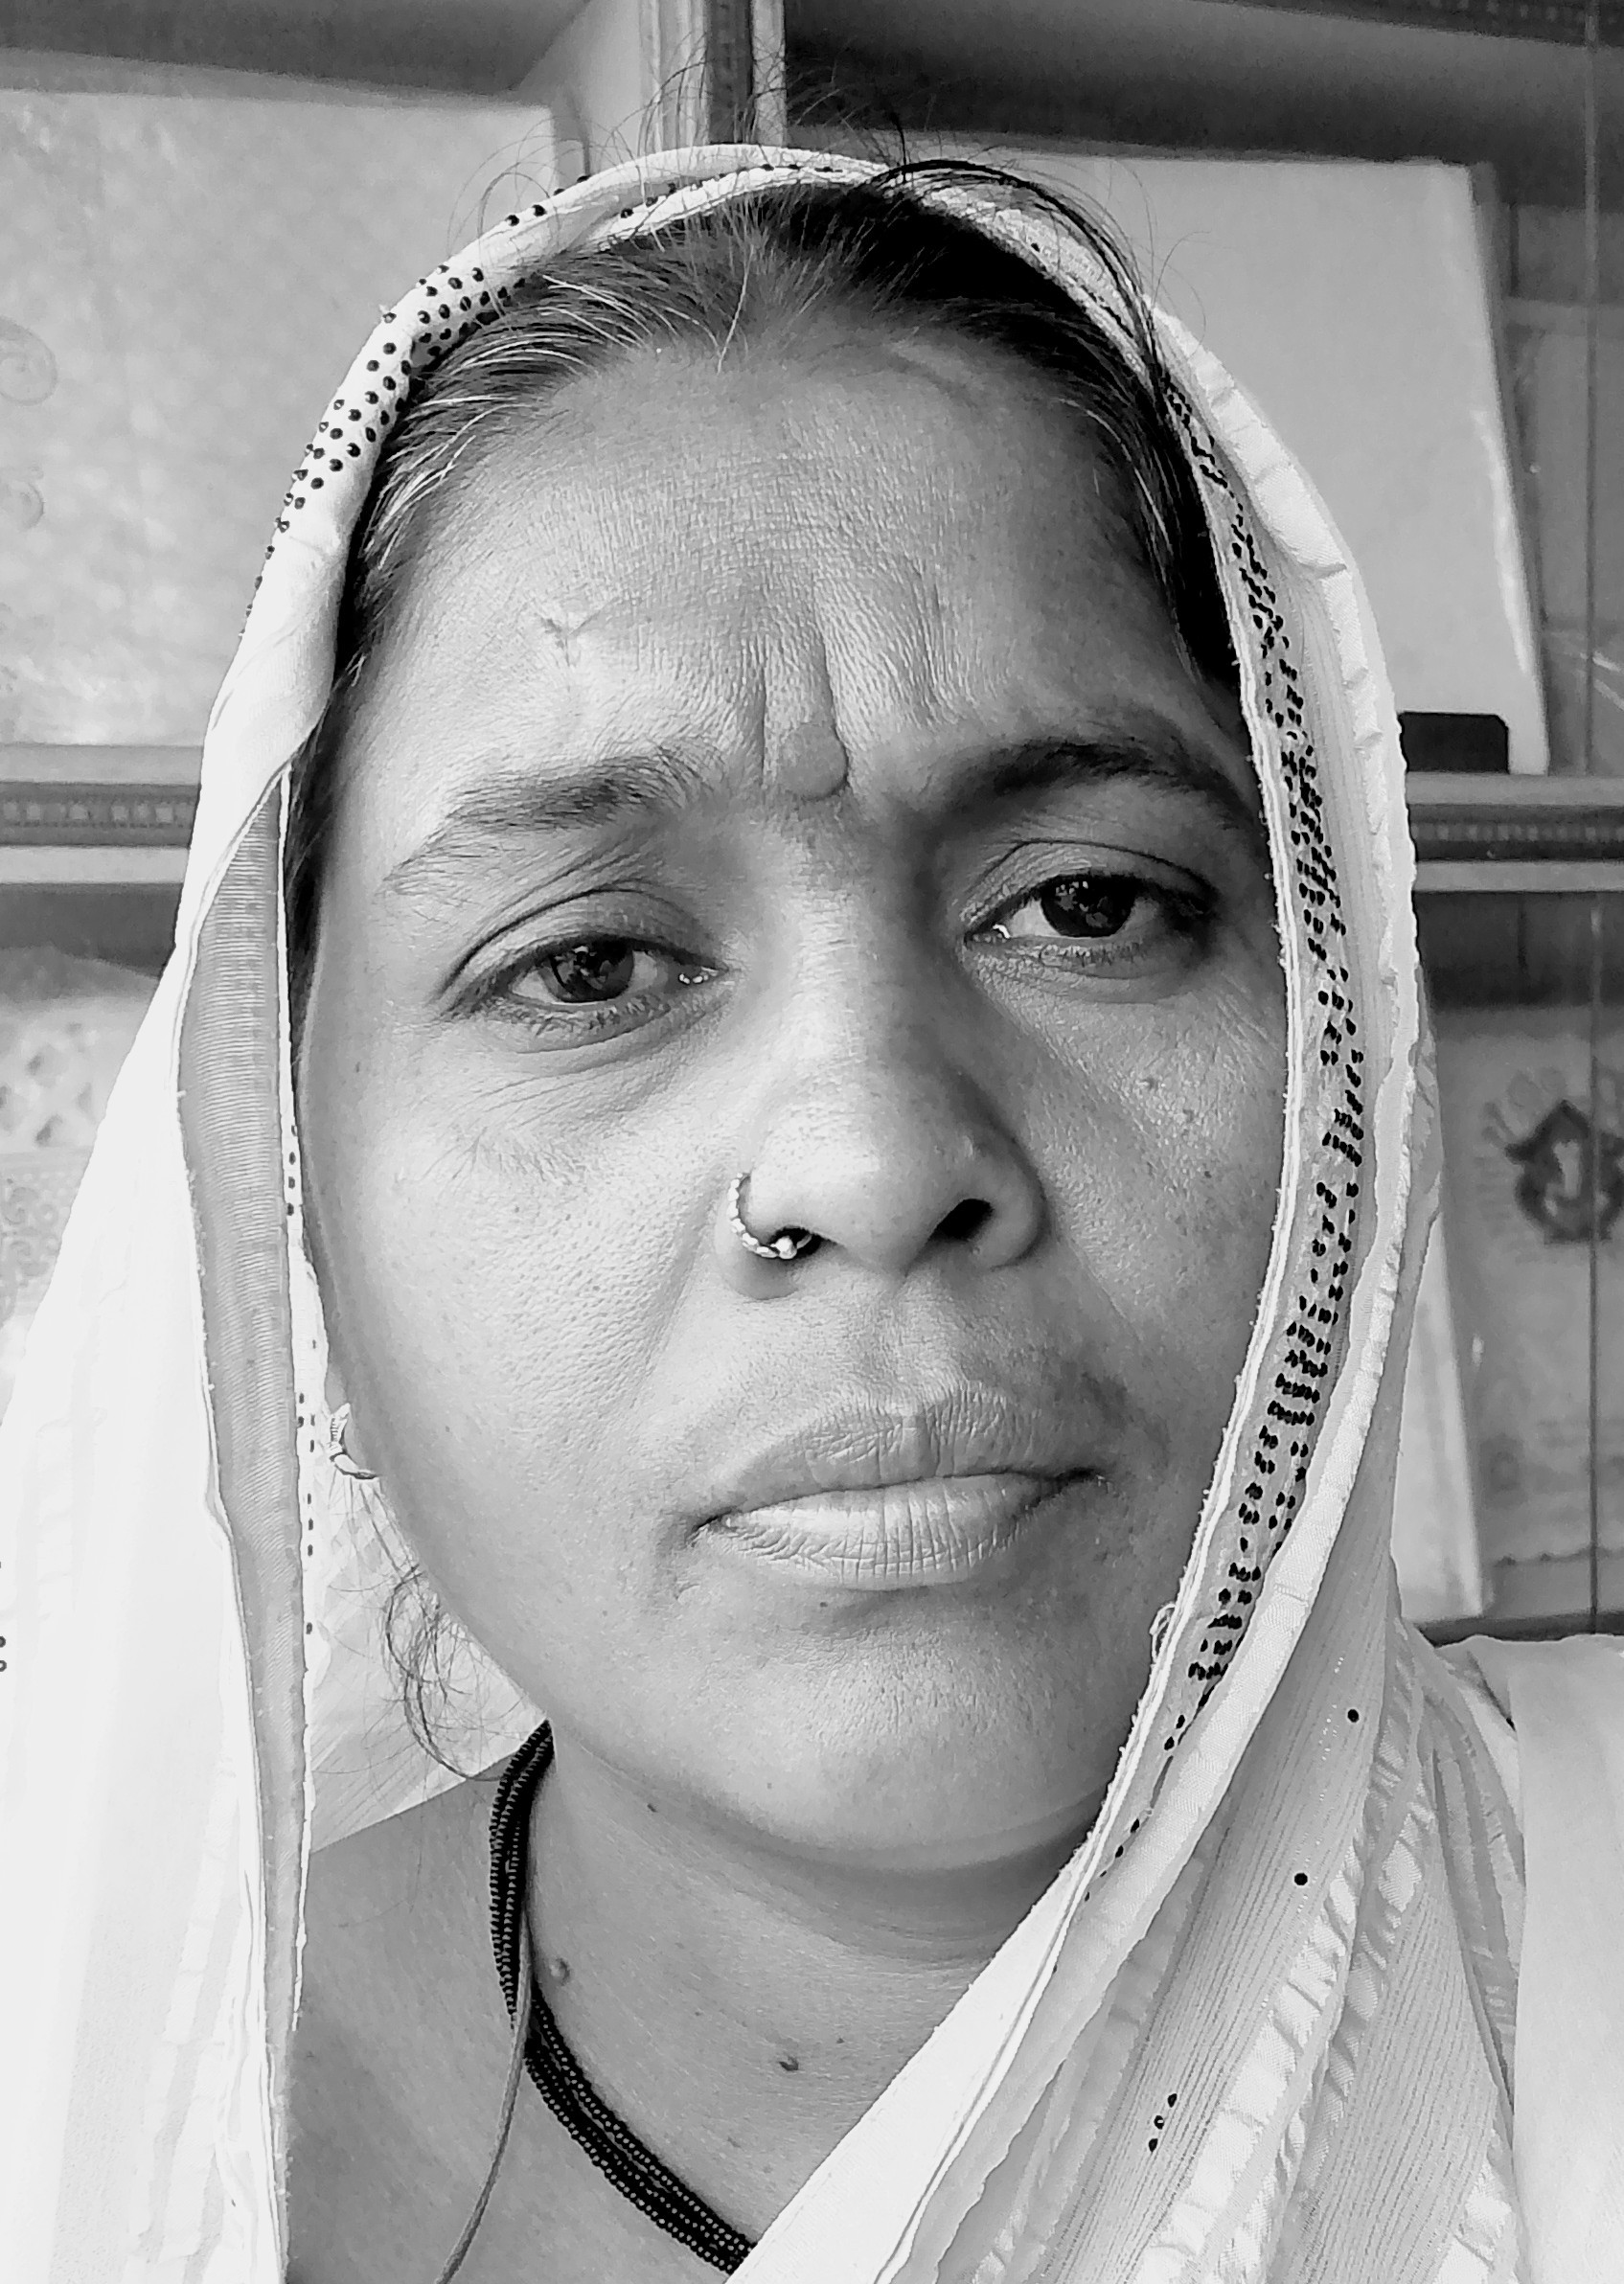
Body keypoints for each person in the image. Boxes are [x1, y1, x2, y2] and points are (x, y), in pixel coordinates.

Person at [3, 142, 1622, 2284]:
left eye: (1086, 903)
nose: (873, 1161)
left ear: (1349, 1049)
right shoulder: (72, 2115)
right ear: (289, 1201)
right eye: (590, 963)